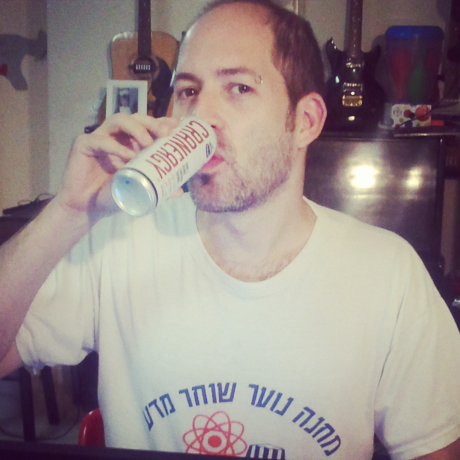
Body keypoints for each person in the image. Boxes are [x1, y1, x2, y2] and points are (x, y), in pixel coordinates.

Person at [0, 1, 460, 458]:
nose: (201, 115)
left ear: (305, 122)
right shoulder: (118, 241)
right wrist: (69, 211)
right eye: (188, 90)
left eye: (239, 87)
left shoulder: (388, 274)